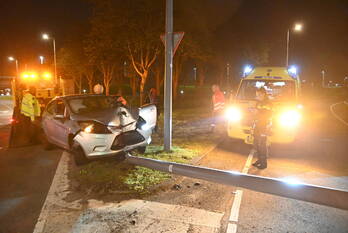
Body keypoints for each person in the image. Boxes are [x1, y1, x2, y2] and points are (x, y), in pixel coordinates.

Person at [252, 87, 272, 169]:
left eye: (259, 94)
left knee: (262, 145)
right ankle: (259, 160)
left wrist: (258, 112)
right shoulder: (259, 102)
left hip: (264, 126)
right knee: (256, 144)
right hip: (257, 125)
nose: (257, 96)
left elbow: (268, 115)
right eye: (257, 94)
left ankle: (264, 164)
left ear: (263, 94)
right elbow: (257, 114)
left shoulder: (268, 103)